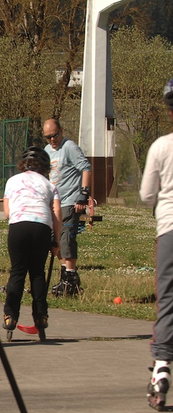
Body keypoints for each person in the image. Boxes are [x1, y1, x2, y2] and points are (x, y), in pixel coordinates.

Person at [2, 146, 61, 340]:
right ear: (45, 167)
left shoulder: (12, 181)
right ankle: (40, 315)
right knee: (37, 273)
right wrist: (56, 240)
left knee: (17, 271)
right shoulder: (49, 185)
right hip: (41, 226)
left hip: (19, 226)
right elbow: (56, 214)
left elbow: (8, 213)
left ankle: (10, 315)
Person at [140, 78, 173, 411]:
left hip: (170, 231)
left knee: (168, 302)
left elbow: (147, 194)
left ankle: (161, 370)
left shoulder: (161, 146)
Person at [43, 118, 92, 297]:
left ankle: (69, 279)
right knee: (55, 242)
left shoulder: (69, 147)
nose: (52, 140)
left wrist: (83, 194)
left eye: (54, 135)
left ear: (61, 131)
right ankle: (68, 277)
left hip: (71, 201)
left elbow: (86, 168)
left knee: (66, 239)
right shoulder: (47, 151)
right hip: (55, 203)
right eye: (48, 137)